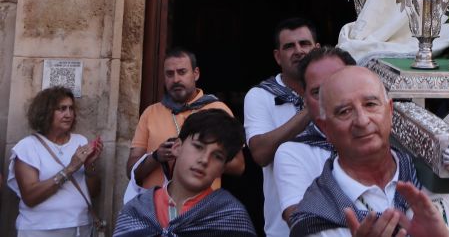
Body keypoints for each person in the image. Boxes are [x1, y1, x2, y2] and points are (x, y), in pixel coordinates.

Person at [288, 66, 449, 237]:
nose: (363, 121)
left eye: (371, 104)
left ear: (389, 111)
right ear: (326, 128)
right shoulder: (317, 214)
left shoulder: (430, 176)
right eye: (344, 111)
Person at [113, 110, 256, 236]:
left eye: (217, 156)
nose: (205, 160)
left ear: (223, 168)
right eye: (198, 147)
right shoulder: (136, 211)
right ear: (176, 147)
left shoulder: (231, 217)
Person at [127, 47, 243, 194]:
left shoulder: (218, 110)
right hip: (152, 209)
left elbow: (239, 165)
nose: (176, 79)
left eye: (182, 72)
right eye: (169, 74)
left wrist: (195, 155)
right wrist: (156, 156)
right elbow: (131, 171)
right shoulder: (151, 112)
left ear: (196, 74)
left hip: (201, 208)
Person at [244, 17, 319, 237]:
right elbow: (260, 154)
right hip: (283, 230)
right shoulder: (260, 96)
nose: (298, 50)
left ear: (317, 48)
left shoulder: (338, 90)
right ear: (278, 56)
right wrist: (309, 111)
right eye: (289, 46)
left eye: (304, 44)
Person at [7, 87, 102, 237]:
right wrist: (70, 168)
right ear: (45, 113)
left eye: (71, 108)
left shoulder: (80, 141)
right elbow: (30, 197)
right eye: (62, 109)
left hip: (79, 227)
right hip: (39, 229)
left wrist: (89, 165)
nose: (68, 114)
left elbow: (93, 192)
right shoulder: (27, 147)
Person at [275, 46, 355, 224]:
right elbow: (303, 224)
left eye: (338, 84)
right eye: (317, 92)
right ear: (305, 100)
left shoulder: (385, 145)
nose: (330, 97)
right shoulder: (292, 153)